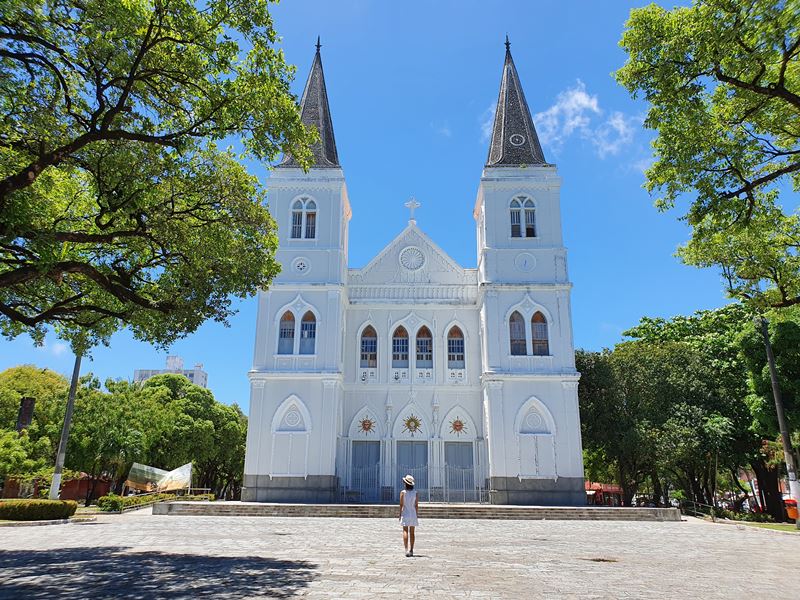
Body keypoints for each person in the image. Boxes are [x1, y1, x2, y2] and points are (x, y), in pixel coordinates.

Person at [399, 474, 418, 557]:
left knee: (405, 531)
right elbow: (416, 505)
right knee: (412, 532)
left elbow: (401, 504)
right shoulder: (415, 493)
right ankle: (411, 550)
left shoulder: (403, 493)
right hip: (413, 513)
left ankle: (406, 549)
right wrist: (416, 514)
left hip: (406, 512)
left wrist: (400, 514)